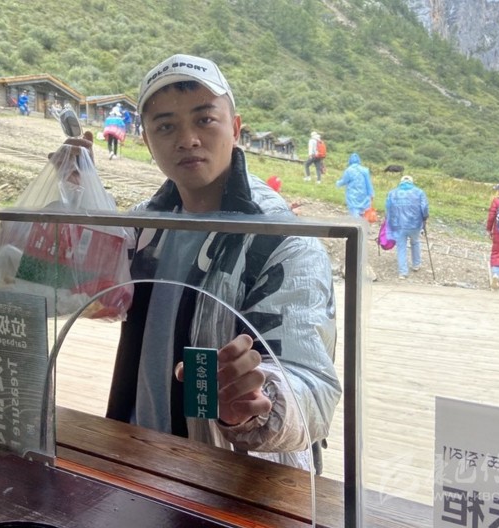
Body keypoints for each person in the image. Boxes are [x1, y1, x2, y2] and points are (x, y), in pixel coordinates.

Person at [57, 54, 340, 471]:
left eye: (205, 120)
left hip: (239, 480)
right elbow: (72, 287)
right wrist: (79, 198)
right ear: (146, 140)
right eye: (166, 126)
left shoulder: (280, 240)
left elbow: (313, 384)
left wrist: (257, 403)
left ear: (235, 128)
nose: (187, 139)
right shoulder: (145, 225)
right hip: (144, 458)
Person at [385, 175, 429, 280]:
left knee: (401, 247)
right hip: (415, 224)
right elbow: (424, 207)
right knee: (415, 242)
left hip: (398, 224)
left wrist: (389, 221)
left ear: (401, 182)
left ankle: (403, 272)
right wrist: (425, 217)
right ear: (411, 182)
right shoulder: (419, 192)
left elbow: (388, 208)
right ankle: (416, 264)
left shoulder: (392, 193)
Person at [336, 152, 374, 217]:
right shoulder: (365, 170)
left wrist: (337, 183)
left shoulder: (349, 170)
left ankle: (356, 222)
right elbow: (369, 183)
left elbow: (344, 181)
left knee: (355, 212)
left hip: (352, 196)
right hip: (364, 196)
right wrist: (371, 194)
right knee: (363, 212)